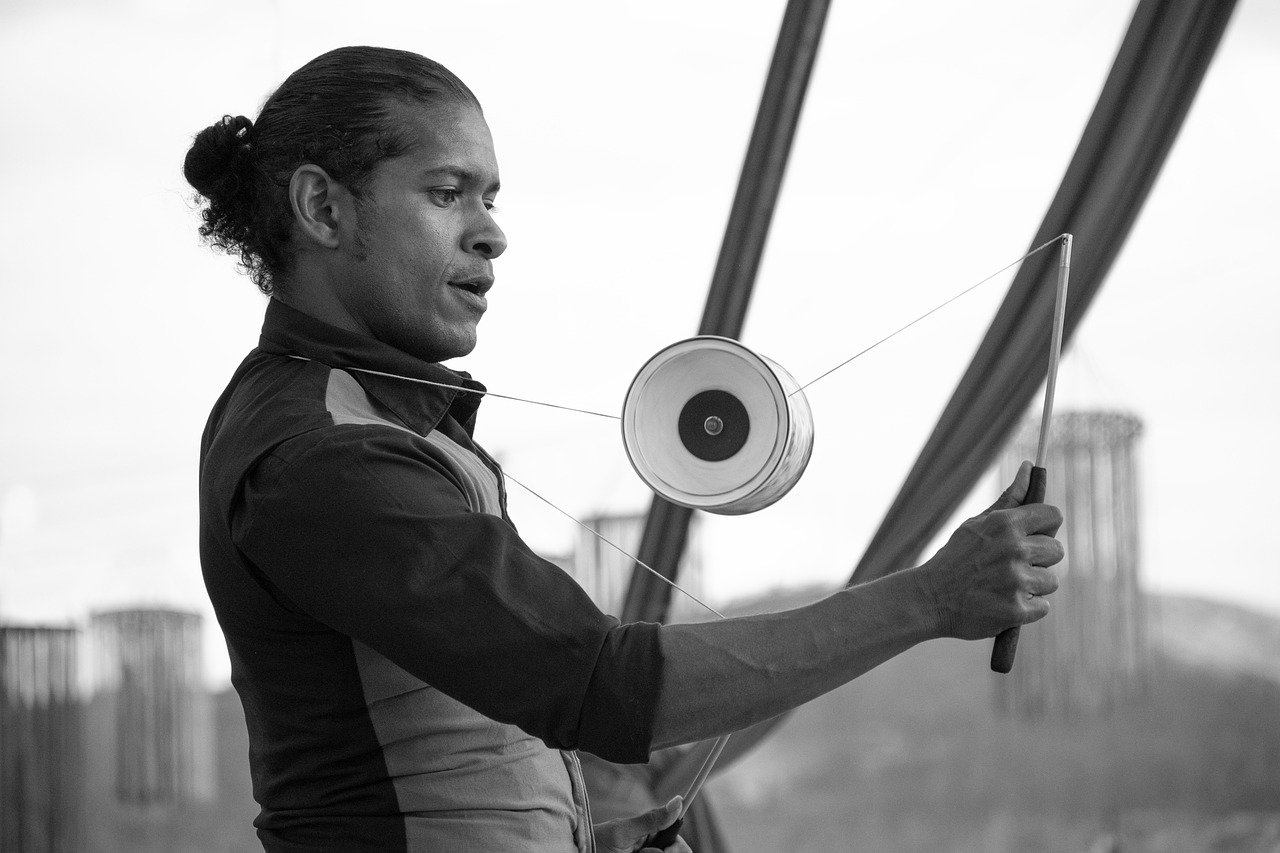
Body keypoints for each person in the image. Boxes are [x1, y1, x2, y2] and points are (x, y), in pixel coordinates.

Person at [189, 46, 1064, 853]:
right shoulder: (321, 454)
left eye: (491, 199)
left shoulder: (376, 420)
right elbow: (596, 686)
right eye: (448, 192)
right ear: (323, 208)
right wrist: (931, 598)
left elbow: (463, 753)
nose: (491, 233)